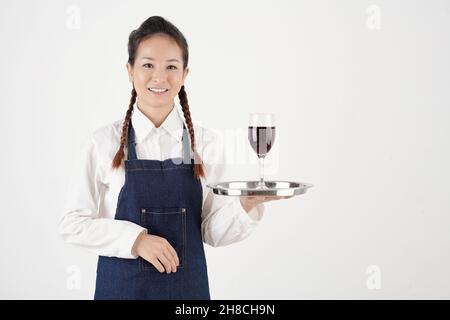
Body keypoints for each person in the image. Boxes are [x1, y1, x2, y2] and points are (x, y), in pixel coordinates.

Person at [58, 15, 290, 300]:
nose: (159, 77)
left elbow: (211, 231)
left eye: (171, 66)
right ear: (129, 71)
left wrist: (245, 204)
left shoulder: (206, 144)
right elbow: (72, 224)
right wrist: (136, 241)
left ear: (184, 74)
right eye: (147, 65)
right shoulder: (101, 143)